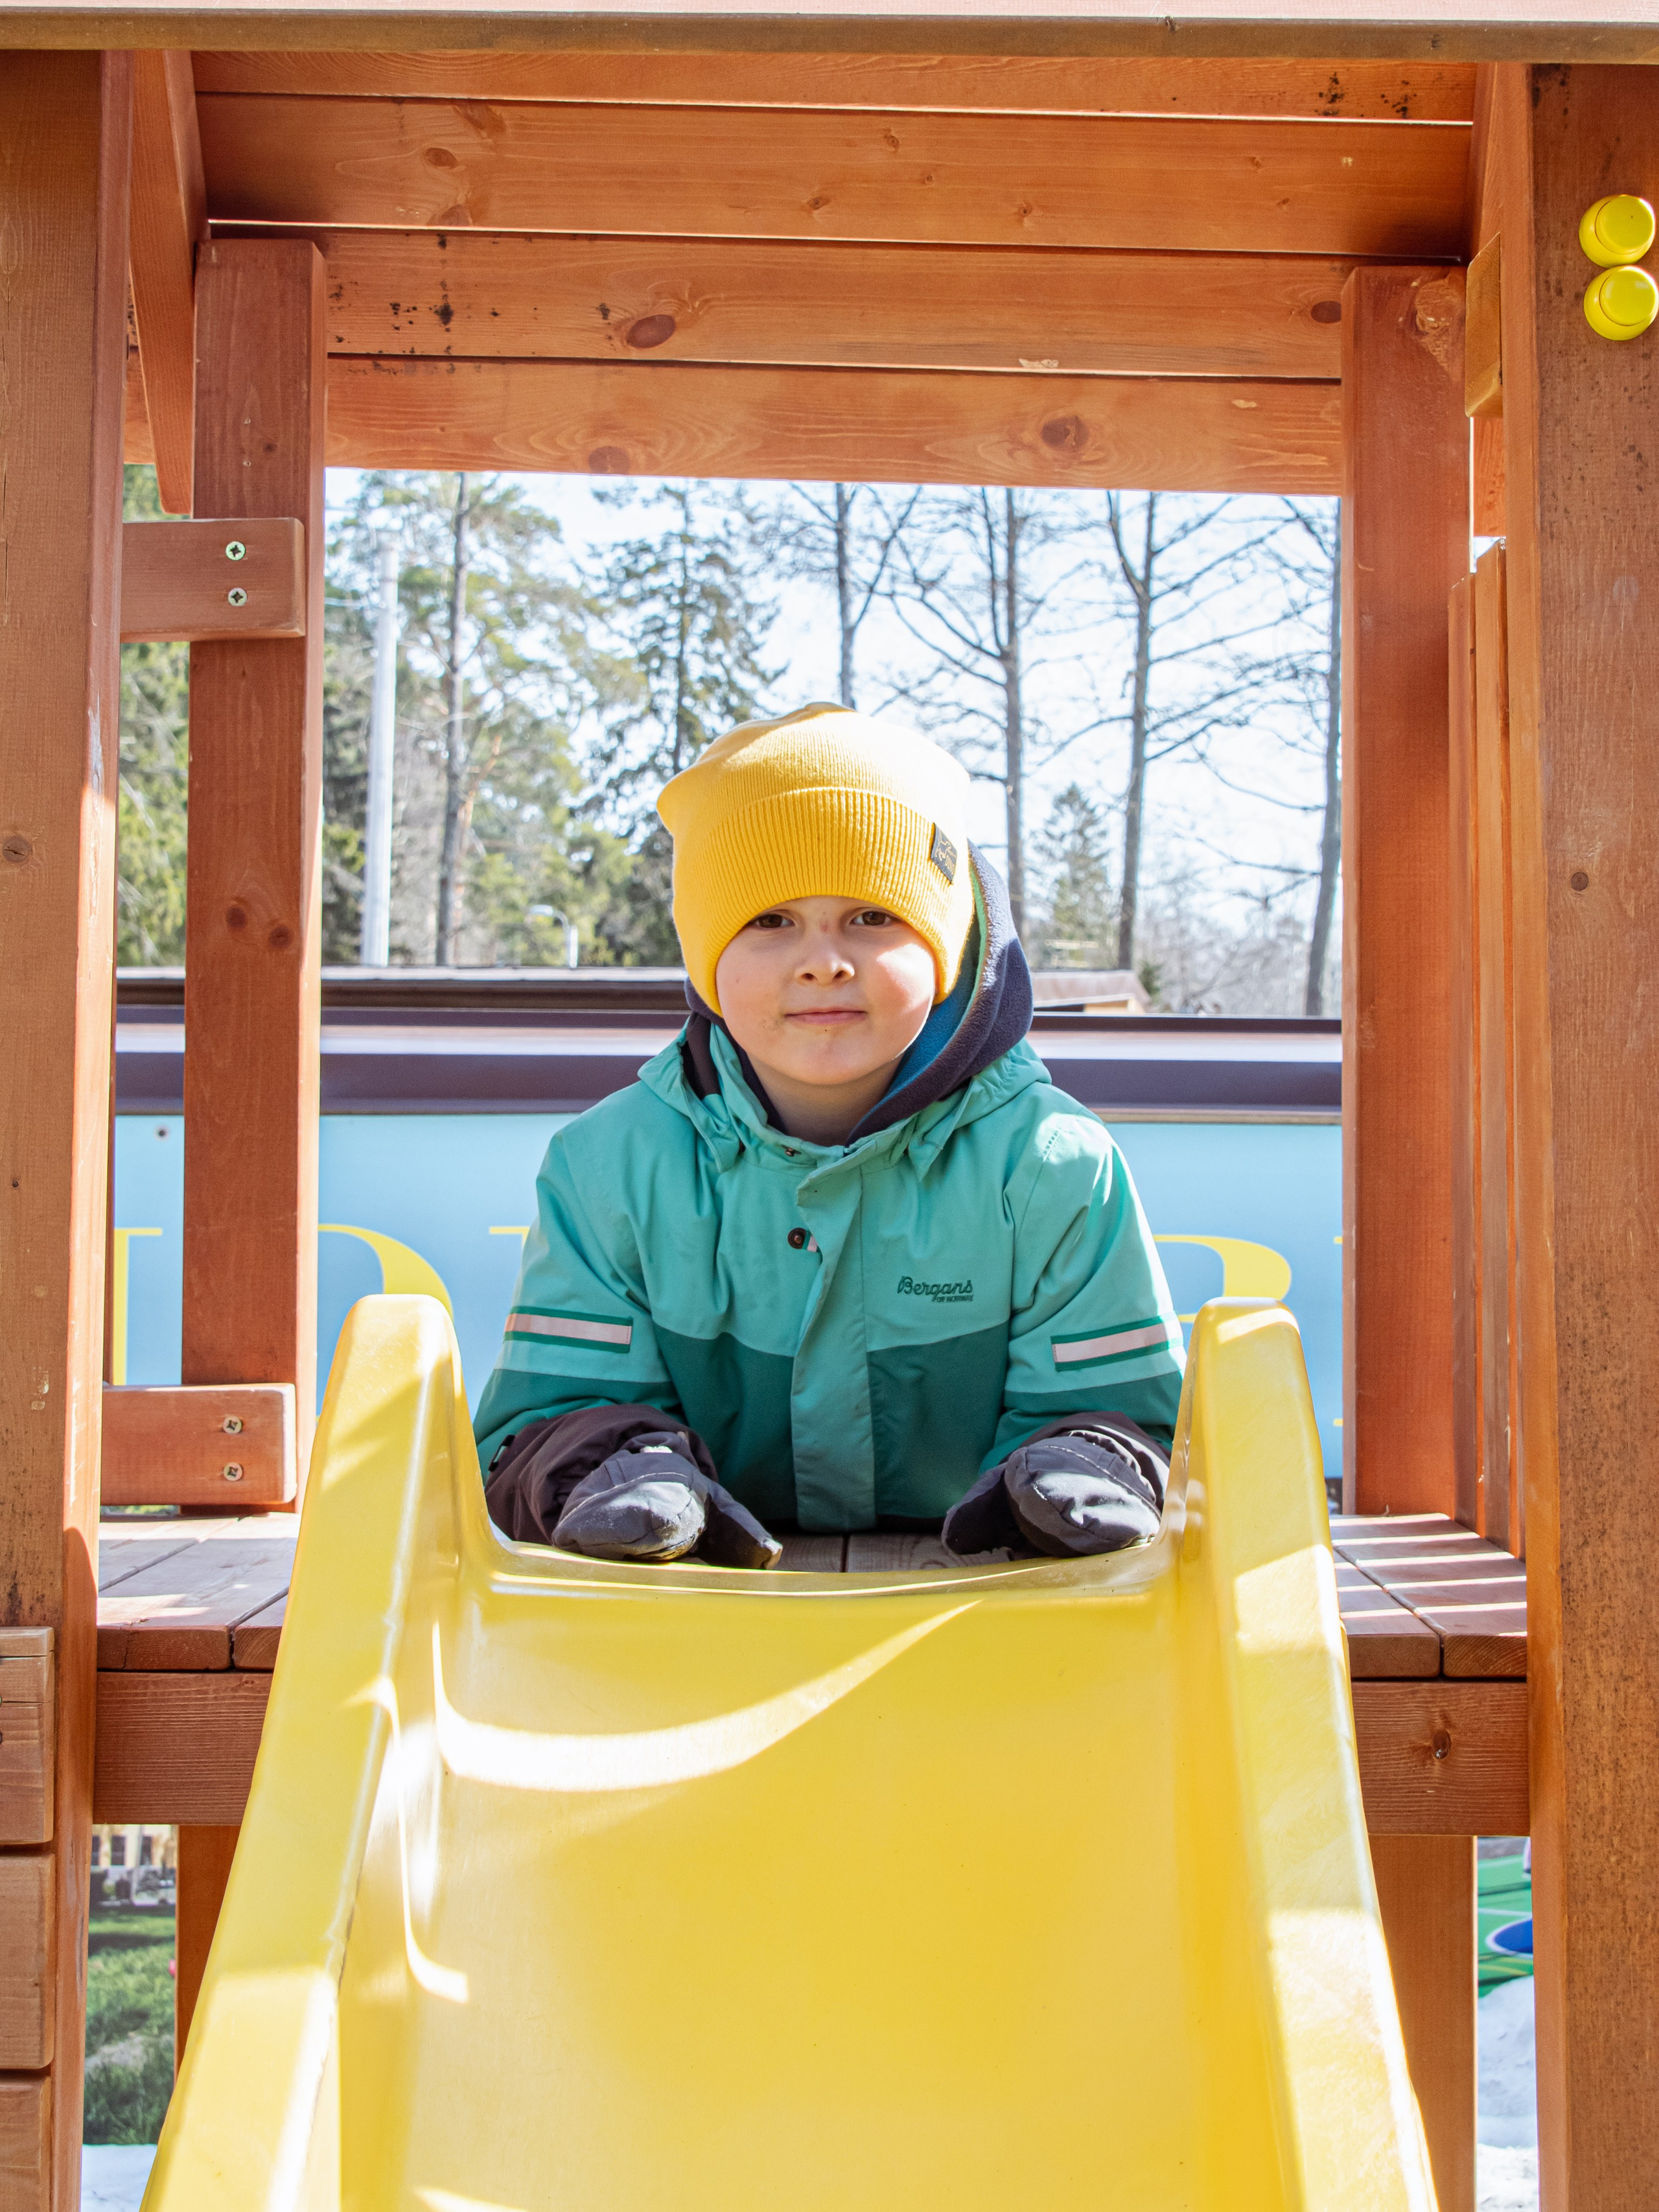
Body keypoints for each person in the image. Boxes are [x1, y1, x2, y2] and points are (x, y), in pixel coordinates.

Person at [474, 703, 1183, 1568]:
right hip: (684, 1627)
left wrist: (1083, 1455)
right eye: (771, 920)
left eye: (871, 917)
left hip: (988, 1612)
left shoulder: (1050, 1167)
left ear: (946, 946)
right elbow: (547, 1415)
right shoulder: (612, 1169)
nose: (824, 960)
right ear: (705, 956)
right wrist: (615, 1464)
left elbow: (1127, 1407)